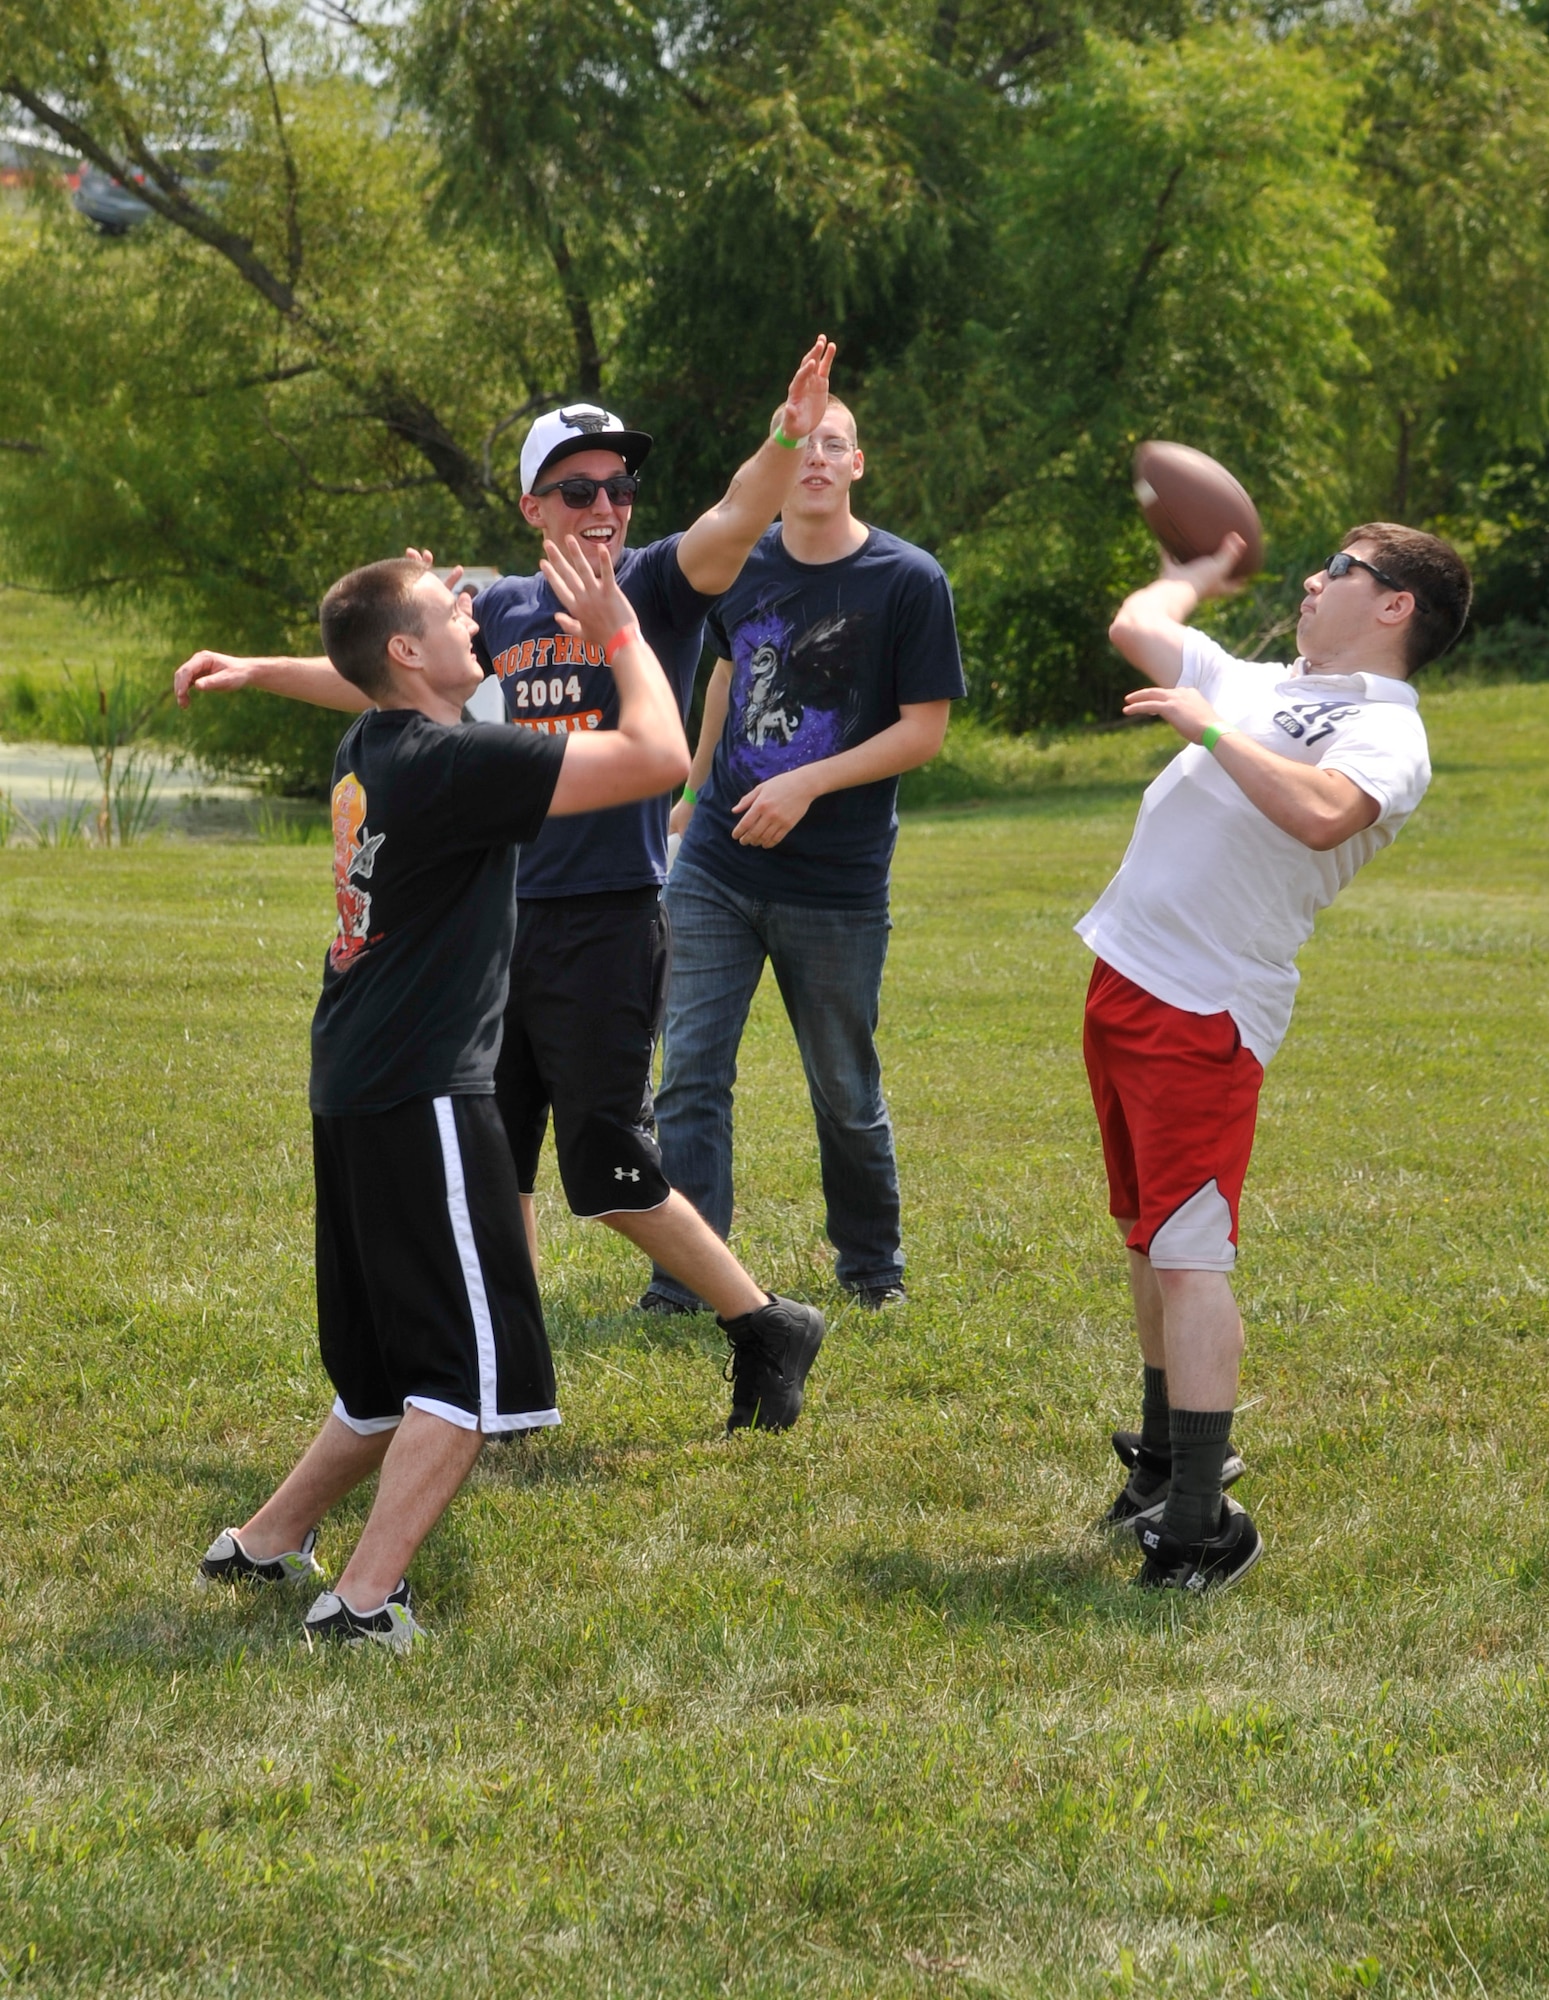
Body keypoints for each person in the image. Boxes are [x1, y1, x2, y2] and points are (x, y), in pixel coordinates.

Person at [174, 341, 836, 1431]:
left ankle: (763, 1320)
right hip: (499, 927)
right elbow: (384, 672)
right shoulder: (497, 612)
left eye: (619, 485)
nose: (605, 504)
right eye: (578, 487)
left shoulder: (658, 590)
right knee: (497, 1162)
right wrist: (254, 668)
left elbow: (735, 514)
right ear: (533, 504)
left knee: (607, 1162)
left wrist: (781, 437)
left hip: (608, 922)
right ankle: (502, 1386)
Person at [196, 539, 697, 1648]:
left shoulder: (377, 739)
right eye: (448, 609)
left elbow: (372, 662)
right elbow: (661, 755)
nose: (474, 614)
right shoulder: (451, 763)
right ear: (409, 653)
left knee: (382, 1371)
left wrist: (371, 609)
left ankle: (265, 1540)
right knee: (471, 1373)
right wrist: (617, 627)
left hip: (359, 1080)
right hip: (424, 1086)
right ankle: (364, 1605)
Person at [1087, 521, 1471, 1591]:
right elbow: (1134, 626)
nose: (1311, 579)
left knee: (1188, 1249)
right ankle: (1163, 1463)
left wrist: (1208, 731)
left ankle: (1205, 1522)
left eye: (1338, 569)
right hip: (1126, 973)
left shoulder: (1388, 732)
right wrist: (1195, 574)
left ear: (1393, 604)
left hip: (1203, 1005)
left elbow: (1319, 813)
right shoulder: (1268, 680)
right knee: (1148, 1234)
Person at [646, 398, 965, 1313]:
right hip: (715, 864)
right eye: (805, 444)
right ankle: (685, 1279)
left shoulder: (907, 580)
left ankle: (873, 1269)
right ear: (780, 464)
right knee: (691, 1076)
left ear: (858, 465)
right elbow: (723, 672)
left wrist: (807, 784)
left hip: (836, 881)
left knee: (843, 1088)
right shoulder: (738, 566)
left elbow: (923, 730)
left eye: (836, 445)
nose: (818, 458)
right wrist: (695, 790)